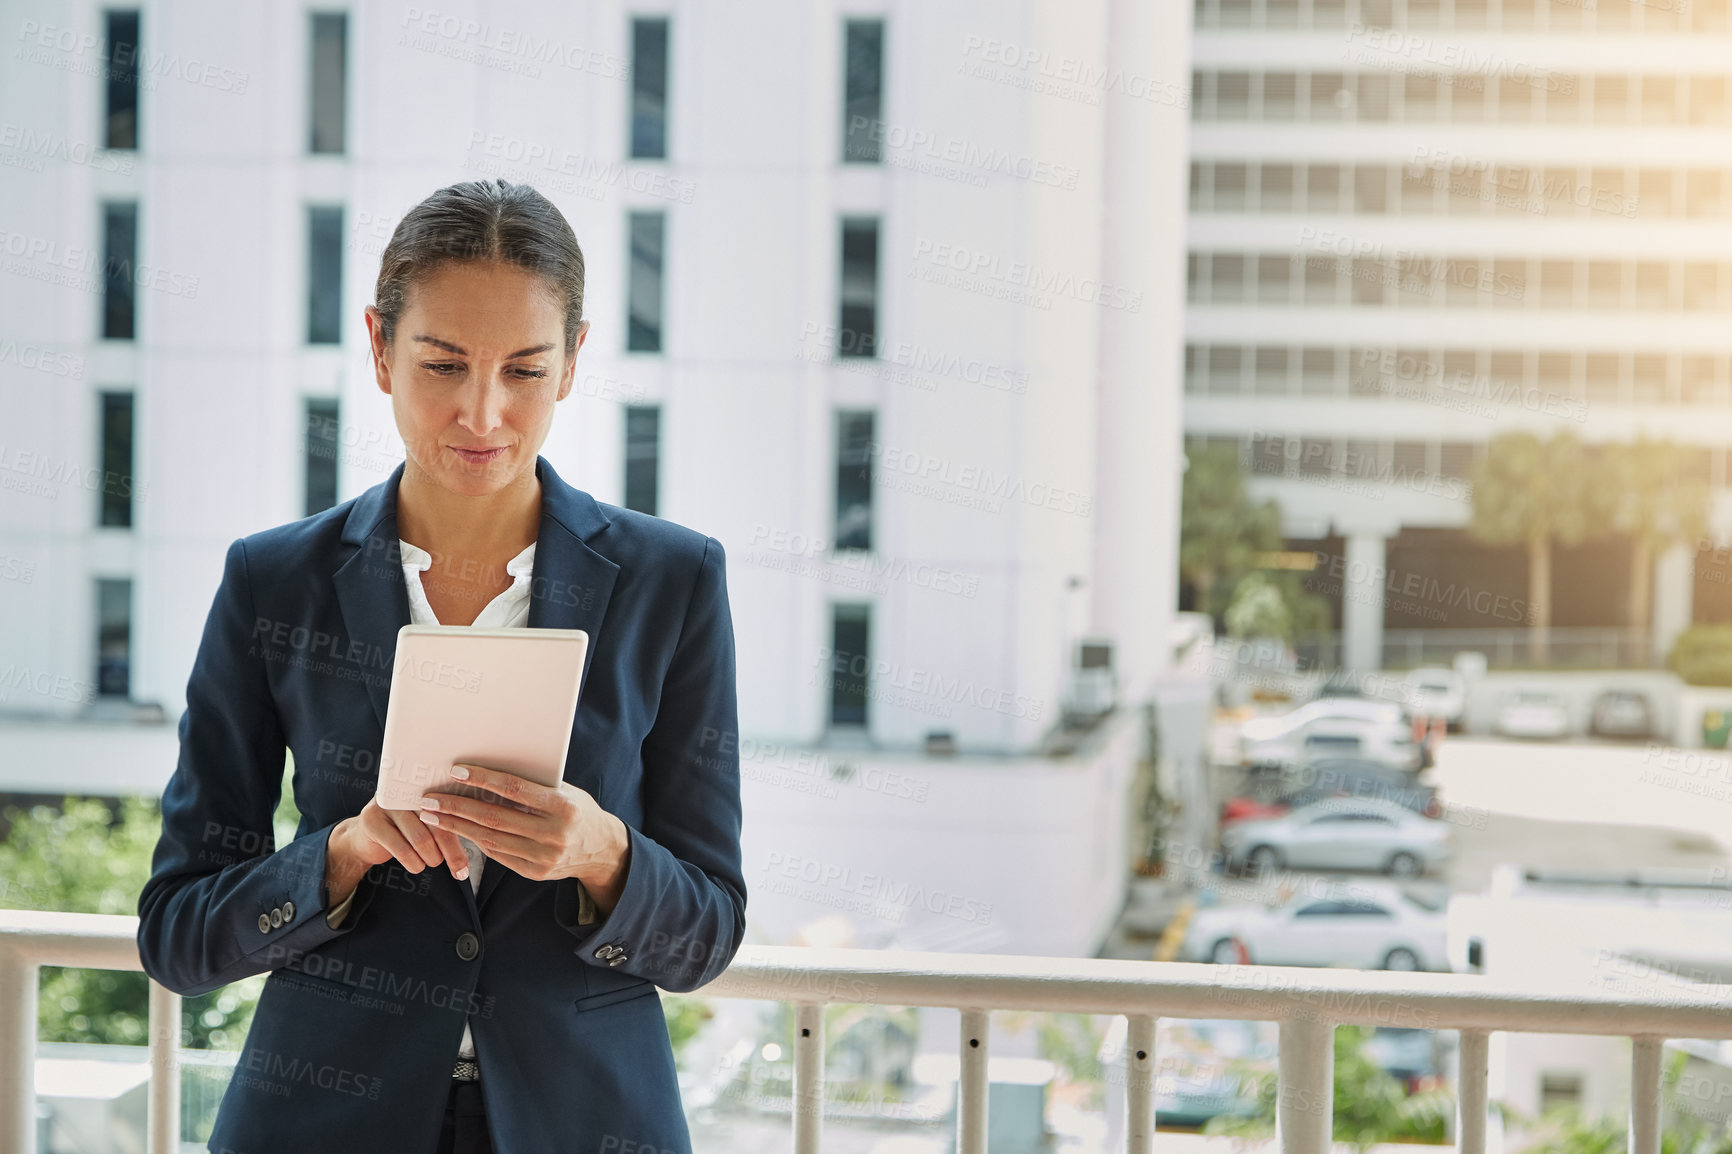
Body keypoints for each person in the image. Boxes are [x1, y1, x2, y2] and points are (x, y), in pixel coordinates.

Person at [135, 179, 746, 1154]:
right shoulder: (274, 582)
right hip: (321, 1118)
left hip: (590, 1119)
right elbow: (177, 933)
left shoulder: (671, 580)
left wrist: (599, 852)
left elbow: (707, 933)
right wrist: (339, 856)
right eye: (444, 362)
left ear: (575, 362)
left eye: (525, 369)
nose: (482, 410)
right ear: (379, 347)